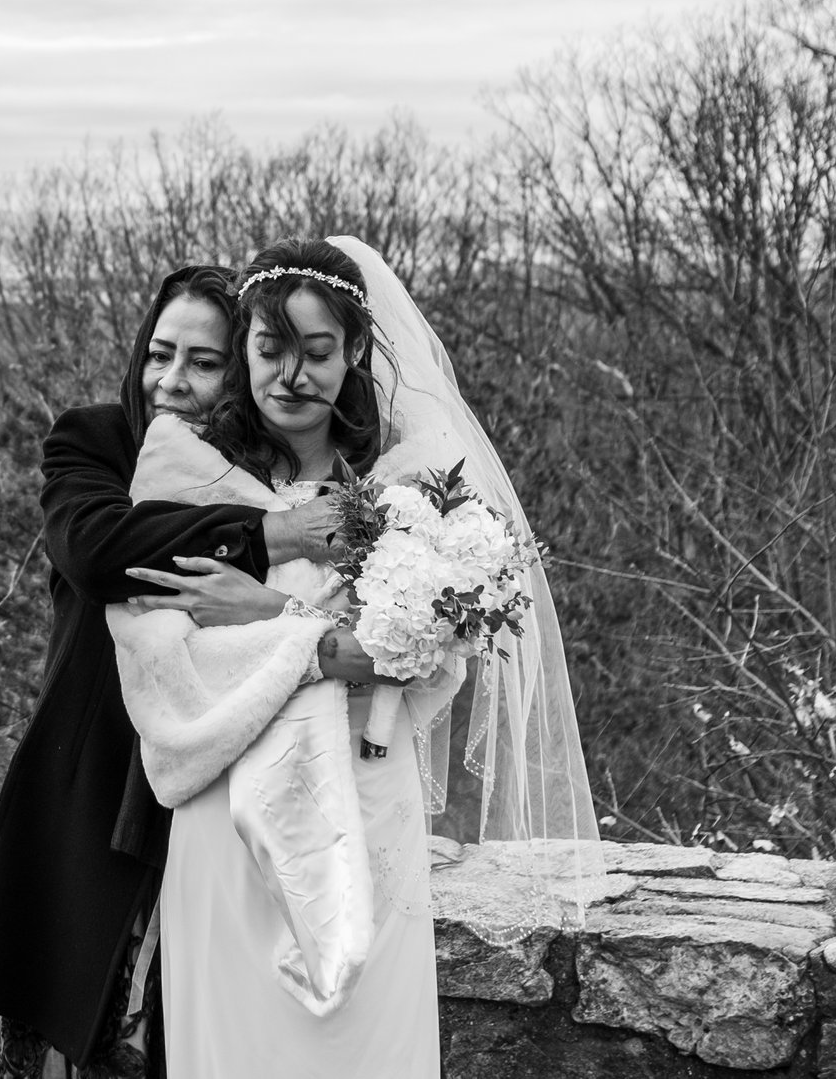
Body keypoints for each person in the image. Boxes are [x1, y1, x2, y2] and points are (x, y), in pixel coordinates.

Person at [112, 237, 596, 1078]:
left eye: (318, 352)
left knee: (360, 1046)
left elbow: (427, 657)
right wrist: (340, 646)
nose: (292, 376)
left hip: (368, 798)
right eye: (270, 349)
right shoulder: (187, 477)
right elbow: (163, 651)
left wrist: (268, 614)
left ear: (357, 352)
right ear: (243, 352)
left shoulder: (413, 484)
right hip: (226, 807)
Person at [0, 265, 346, 1078]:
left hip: (223, 796)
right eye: (160, 353)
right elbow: (99, 553)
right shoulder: (95, 440)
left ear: (239, 370)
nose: (172, 379)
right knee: (62, 1039)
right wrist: (275, 537)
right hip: (88, 787)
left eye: (203, 361)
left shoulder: (265, 469)